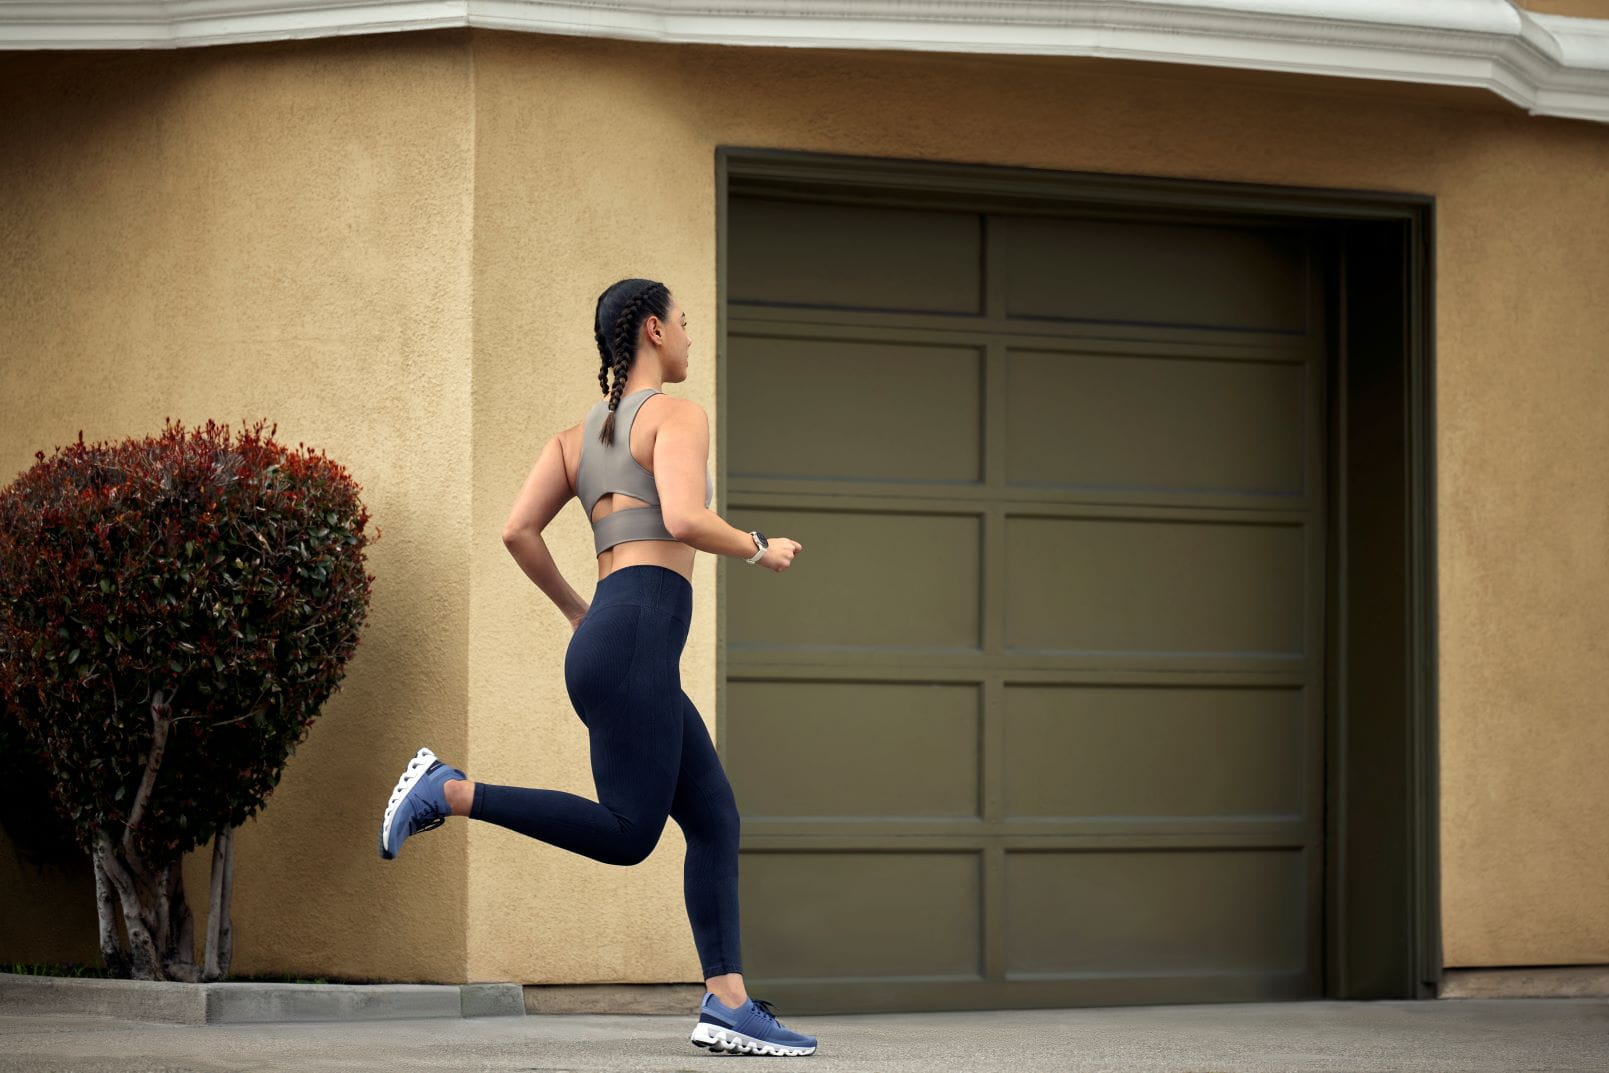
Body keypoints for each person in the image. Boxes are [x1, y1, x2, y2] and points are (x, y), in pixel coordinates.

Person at [376, 278, 816, 1057]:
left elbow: (518, 531)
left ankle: (727, 1003)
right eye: (682, 322)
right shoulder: (678, 415)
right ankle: (448, 788)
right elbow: (681, 518)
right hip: (640, 636)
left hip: (615, 635)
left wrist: (582, 613)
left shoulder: (572, 440)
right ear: (651, 329)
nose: (688, 336)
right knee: (626, 833)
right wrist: (757, 546)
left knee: (714, 819)